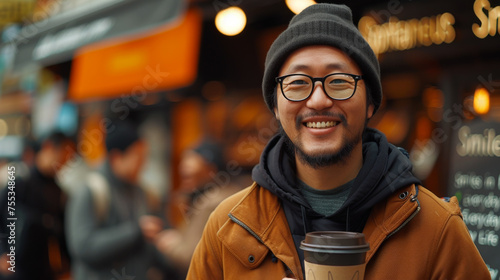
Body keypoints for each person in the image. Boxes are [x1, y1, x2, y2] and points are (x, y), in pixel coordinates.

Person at [186, 3, 490, 280]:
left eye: (339, 82)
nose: (318, 100)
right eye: (298, 83)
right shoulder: (228, 226)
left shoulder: (437, 229)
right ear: (276, 106)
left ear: (371, 104)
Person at [65, 120, 178, 280]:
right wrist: (136, 232)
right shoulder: (90, 191)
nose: (143, 165)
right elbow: (84, 247)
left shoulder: (141, 192)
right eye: (138, 157)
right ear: (116, 157)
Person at [156, 139, 240, 277]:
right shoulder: (226, 193)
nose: (184, 166)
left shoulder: (211, 202)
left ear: (210, 170)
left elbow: (190, 255)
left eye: (192, 160)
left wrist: (168, 244)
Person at [0, 132, 75, 280]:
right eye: (64, 153)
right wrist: (2, 252)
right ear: (48, 147)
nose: (66, 160)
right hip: (14, 267)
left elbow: (61, 233)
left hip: (43, 268)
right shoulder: (20, 183)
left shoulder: (58, 191)